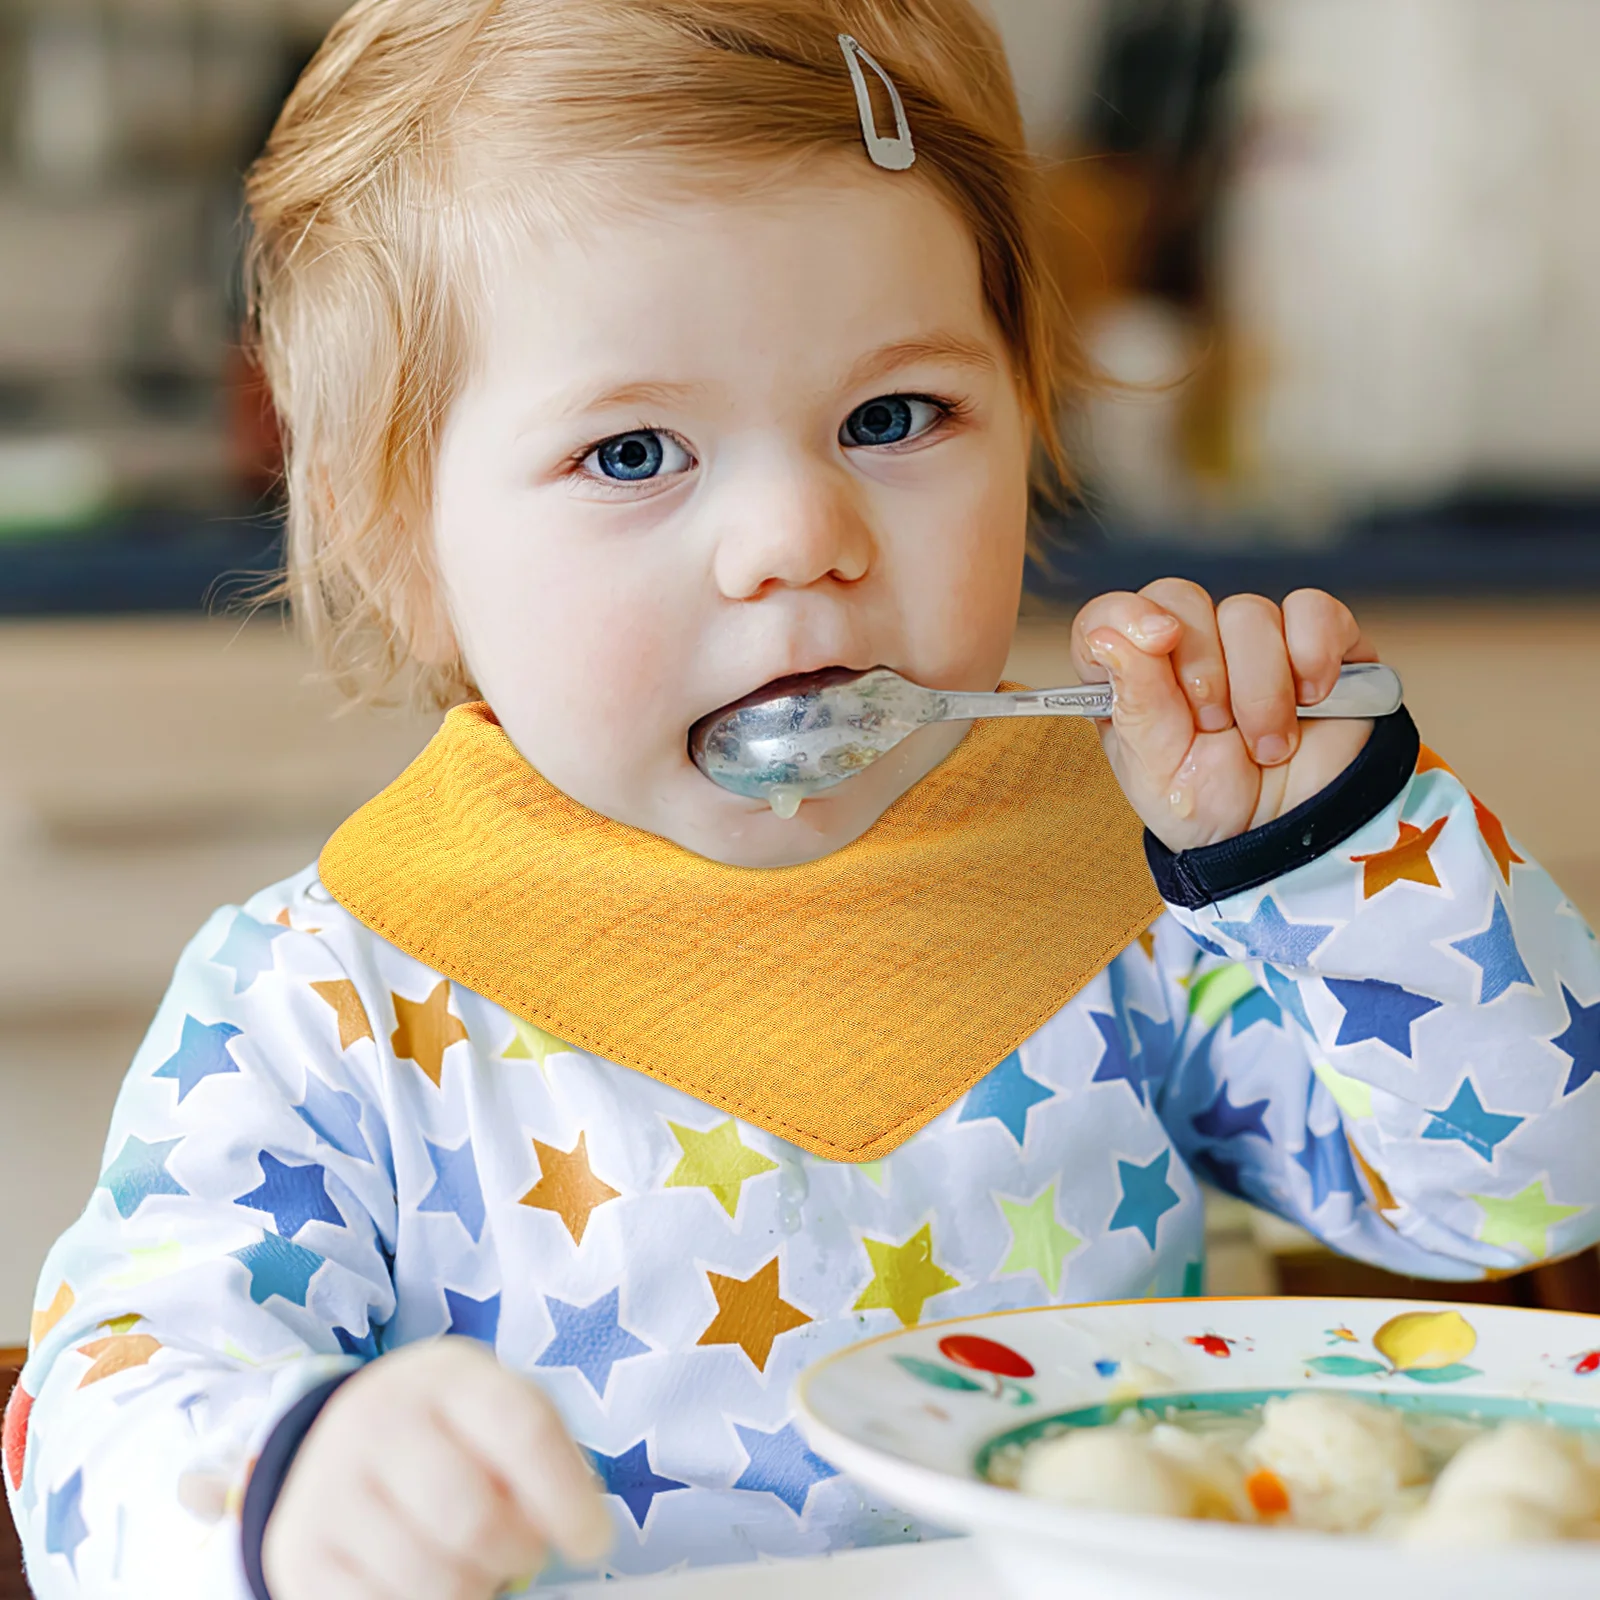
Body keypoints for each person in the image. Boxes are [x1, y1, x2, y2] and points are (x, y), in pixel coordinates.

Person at [7, 2, 1599, 1596]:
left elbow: (1525, 1190)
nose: (798, 534)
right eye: (634, 453)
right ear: (401, 551)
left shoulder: (1134, 902)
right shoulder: (329, 1006)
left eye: (894, 419)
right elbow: (105, 1420)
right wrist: (289, 1495)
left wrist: (1327, 855)